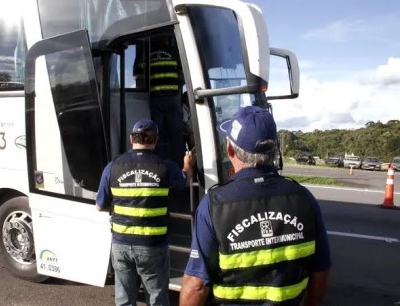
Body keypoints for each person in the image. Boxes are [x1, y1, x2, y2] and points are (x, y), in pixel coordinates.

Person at [180, 106, 331, 306]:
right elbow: (320, 272)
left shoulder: (213, 204)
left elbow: (196, 285)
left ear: (230, 149)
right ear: (274, 149)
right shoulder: (304, 198)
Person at [96, 118, 194, 306]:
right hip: (152, 246)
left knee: (124, 299)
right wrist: (187, 165)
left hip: (121, 244)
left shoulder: (112, 167)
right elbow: (184, 181)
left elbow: (100, 206)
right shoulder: (166, 167)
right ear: (156, 141)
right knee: (157, 297)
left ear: (132, 139)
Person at [134, 36, 185, 167]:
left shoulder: (145, 53)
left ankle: (159, 166)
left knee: (157, 135)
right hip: (173, 98)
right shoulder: (174, 51)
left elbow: (138, 77)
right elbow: (182, 74)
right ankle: (178, 167)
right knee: (176, 136)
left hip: (155, 99)